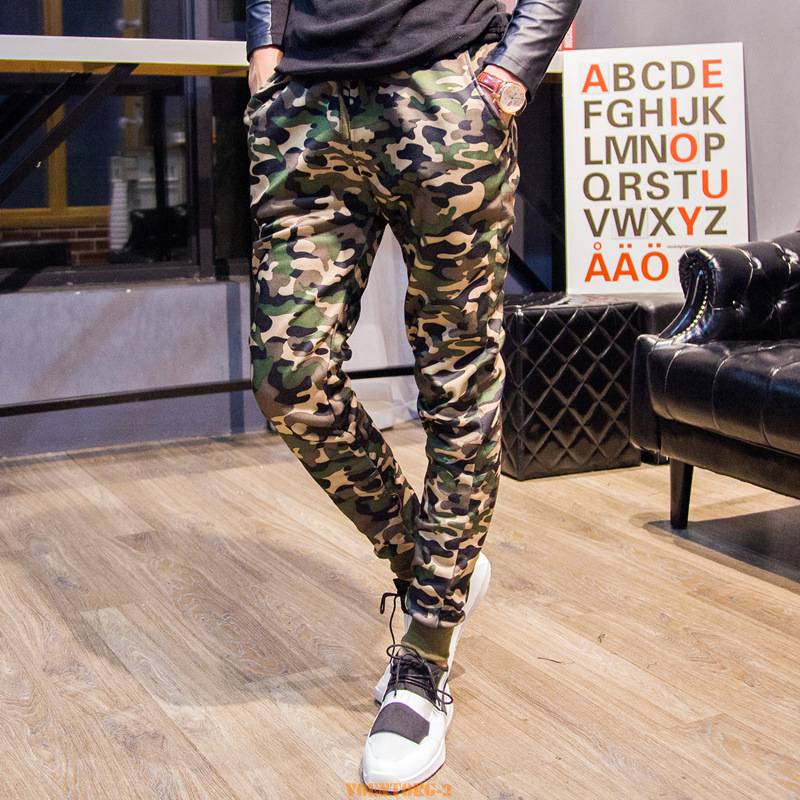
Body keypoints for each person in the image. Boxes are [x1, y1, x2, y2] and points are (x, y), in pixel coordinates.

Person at [243, 0, 581, 790]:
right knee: (288, 378)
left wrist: (510, 72)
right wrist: (265, 50)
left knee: (458, 386)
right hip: (305, 106)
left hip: (444, 93)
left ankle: (425, 658)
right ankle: (433, 560)